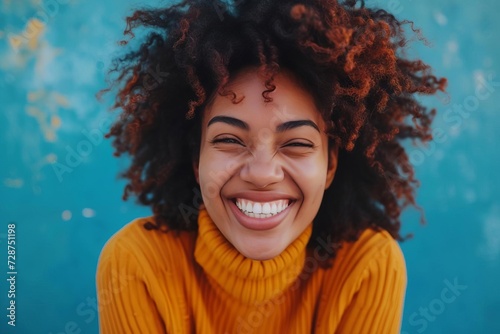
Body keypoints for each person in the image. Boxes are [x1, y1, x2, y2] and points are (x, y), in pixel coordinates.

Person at [96, 0, 446, 333]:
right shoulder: (136, 264)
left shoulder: (366, 266)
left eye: (296, 144)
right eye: (229, 140)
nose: (262, 173)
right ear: (197, 159)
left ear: (330, 166)